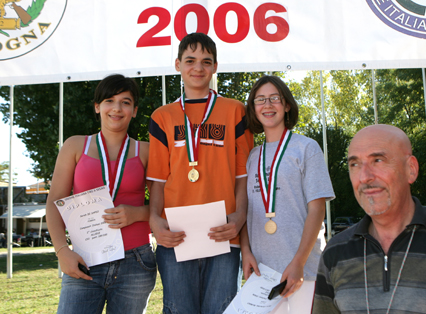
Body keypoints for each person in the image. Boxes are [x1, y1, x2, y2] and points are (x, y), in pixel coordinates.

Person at [147, 32, 253, 314]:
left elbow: (243, 177)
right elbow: (157, 181)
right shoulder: (162, 116)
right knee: (179, 309)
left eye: (206, 61)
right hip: (175, 235)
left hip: (223, 233)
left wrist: (240, 216)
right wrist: (155, 221)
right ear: (177, 64)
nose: (198, 68)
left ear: (215, 67)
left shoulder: (235, 111)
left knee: (221, 309)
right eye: (190, 60)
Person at [313, 124, 426, 313]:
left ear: (411, 169)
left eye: (378, 160)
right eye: (354, 164)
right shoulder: (336, 252)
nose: (364, 177)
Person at [46, 74, 156, 314]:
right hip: (85, 259)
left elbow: (163, 208)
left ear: (135, 110)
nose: (116, 108)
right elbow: (54, 204)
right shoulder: (75, 146)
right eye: (109, 100)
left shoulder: (147, 151)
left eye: (125, 102)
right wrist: (62, 251)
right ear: (97, 107)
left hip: (135, 261)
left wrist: (136, 214)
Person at [241, 75, 335, 313]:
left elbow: (317, 208)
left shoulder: (307, 147)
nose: (268, 105)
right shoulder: (252, 156)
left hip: (304, 270)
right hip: (263, 272)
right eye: (260, 100)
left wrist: (299, 262)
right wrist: (246, 252)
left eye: (275, 98)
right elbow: (245, 210)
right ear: (253, 108)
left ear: (287, 105)